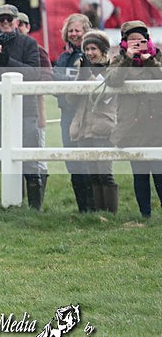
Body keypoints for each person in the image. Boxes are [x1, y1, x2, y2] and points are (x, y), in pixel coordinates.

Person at [0, 4, 43, 211]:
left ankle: (34, 208)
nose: (5, 23)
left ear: (16, 22)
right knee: (4, 160)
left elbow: (33, 73)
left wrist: (7, 60)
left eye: (9, 20)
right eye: (1, 20)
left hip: (26, 111)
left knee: (30, 160)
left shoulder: (29, 43)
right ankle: (12, 205)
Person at [105, 20, 162, 218]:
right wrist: (127, 58)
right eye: (132, 41)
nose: (137, 44)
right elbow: (112, 80)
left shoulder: (157, 56)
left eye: (140, 40)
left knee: (160, 172)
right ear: (124, 42)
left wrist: (149, 60)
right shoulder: (118, 59)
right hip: (132, 125)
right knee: (139, 174)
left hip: (156, 123)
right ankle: (145, 214)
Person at [67, 30, 118, 212]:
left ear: (103, 50)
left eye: (93, 49)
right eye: (87, 49)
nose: (89, 53)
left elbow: (103, 97)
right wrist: (80, 78)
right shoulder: (82, 68)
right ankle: (98, 214)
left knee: (105, 173)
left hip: (103, 127)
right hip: (83, 127)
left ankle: (110, 213)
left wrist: (90, 75)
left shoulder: (112, 68)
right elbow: (71, 100)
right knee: (93, 174)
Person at [53, 13, 92, 212]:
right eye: (71, 30)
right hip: (66, 113)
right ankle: (83, 209)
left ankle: (95, 207)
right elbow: (55, 83)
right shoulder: (63, 57)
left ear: (86, 31)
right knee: (72, 161)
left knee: (87, 159)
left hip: (86, 114)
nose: (74, 34)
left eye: (78, 30)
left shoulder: (91, 54)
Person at [18, 11, 53, 194]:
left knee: (38, 155)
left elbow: (47, 78)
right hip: (13, 113)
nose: (18, 28)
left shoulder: (37, 50)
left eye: (22, 24)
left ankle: (38, 198)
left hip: (36, 112)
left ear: (28, 27)